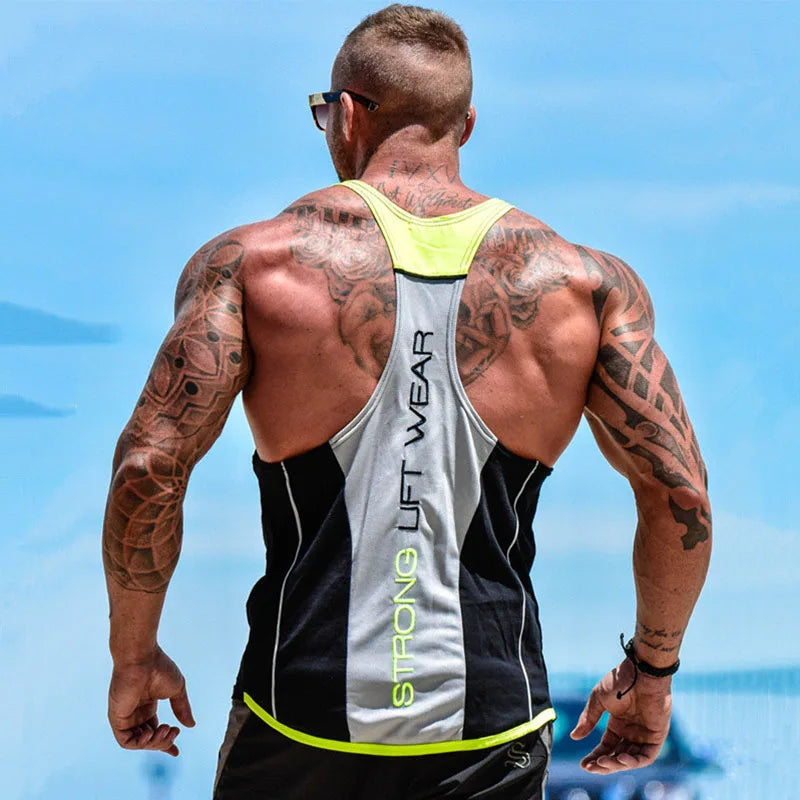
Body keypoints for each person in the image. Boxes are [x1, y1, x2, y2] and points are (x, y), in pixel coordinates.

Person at [102, 4, 712, 799]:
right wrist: (652, 673)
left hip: (298, 718)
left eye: (324, 112)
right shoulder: (584, 287)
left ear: (347, 114)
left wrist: (134, 654)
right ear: (466, 124)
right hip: (491, 731)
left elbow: (149, 468)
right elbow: (679, 494)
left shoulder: (251, 265)